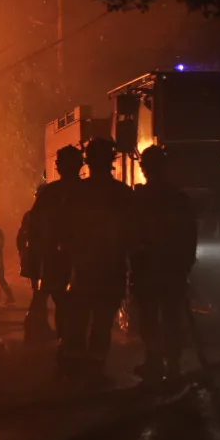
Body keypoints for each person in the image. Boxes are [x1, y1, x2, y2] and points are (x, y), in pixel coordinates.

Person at [61, 138, 133, 383]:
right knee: (102, 321)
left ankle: (73, 367)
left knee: (79, 319)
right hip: (111, 270)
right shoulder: (122, 194)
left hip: (83, 269)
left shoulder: (77, 193)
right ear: (111, 160)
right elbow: (132, 234)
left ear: (87, 161)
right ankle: (94, 368)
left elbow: (65, 233)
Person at [131, 145, 198, 381]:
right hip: (171, 269)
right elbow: (190, 236)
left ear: (144, 168)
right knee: (171, 315)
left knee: (150, 316)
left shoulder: (139, 199)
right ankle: (172, 362)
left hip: (147, 269)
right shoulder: (180, 199)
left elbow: (130, 234)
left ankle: (154, 360)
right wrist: (185, 264)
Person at [29, 146, 84, 365]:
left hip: (58, 263)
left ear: (58, 166)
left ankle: (68, 349)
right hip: (84, 262)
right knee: (80, 309)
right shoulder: (89, 192)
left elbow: (35, 232)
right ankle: (78, 352)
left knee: (64, 307)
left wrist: (36, 267)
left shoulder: (49, 195)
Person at [19, 183, 54, 343]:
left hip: (35, 261)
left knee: (39, 294)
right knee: (41, 295)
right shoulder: (48, 216)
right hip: (44, 261)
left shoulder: (30, 215)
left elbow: (20, 239)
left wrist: (24, 257)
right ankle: (37, 326)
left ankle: (35, 326)